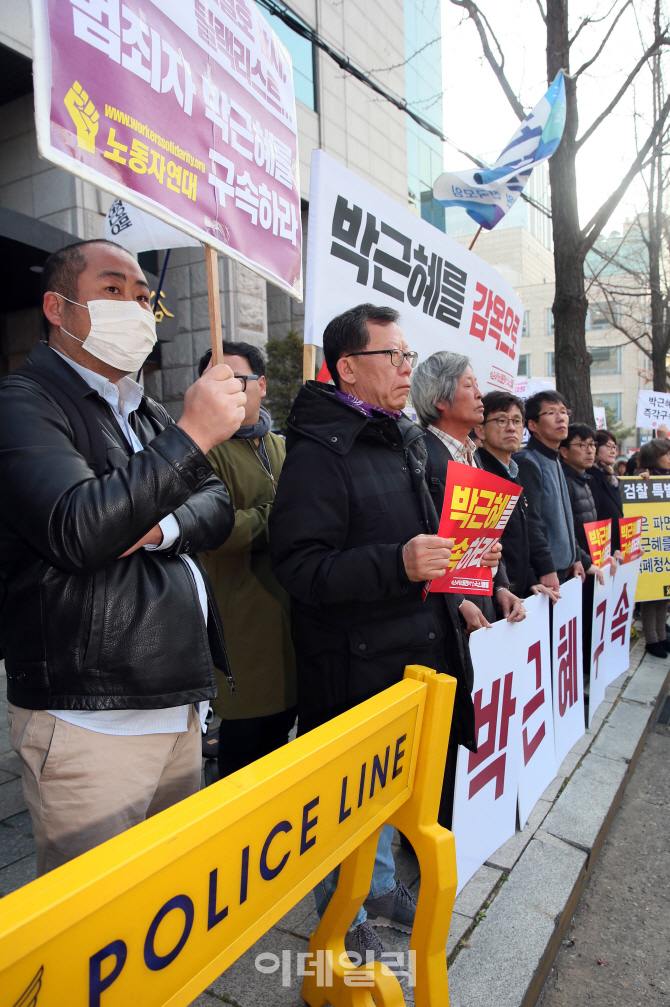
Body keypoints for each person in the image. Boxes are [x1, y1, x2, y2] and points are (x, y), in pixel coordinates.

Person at [0, 238, 246, 875]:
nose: (135, 308)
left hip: (177, 700)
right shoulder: (24, 403)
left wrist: (158, 525)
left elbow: (217, 501)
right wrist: (191, 436)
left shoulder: (143, 409)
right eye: (112, 291)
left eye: (143, 297)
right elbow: (78, 526)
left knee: (166, 902)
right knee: (97, 933)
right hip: (91, 718)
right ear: (59, 308)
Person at [269, 303, 501, 962]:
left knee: (404, 792)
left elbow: (429, 543)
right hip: (355, 669)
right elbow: (300, 566)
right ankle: (340, 915)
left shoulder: (397, 436)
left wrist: (449, 592)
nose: (407, 368)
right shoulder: (319, 453)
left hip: (416, 656)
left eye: (408, 355)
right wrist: (395, 563)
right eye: (392, 356)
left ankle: (384, 888)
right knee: (349, 806)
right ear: (347, 368)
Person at [197, 342, 296, 778]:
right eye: (215, 381)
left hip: (293, 619)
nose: (230, 389)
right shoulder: (204, 452)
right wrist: (281, 518)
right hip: (242, 622)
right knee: (244, 750)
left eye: (238, 379)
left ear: (262, 385)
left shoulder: (284, 446)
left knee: (281, 743)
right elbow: (211, 529)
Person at [410, 351, 526, 627]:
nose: (479, 394)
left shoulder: (473, 455)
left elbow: (486, 538)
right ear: (439, 399)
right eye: (469, 385)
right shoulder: (418, 455)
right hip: (443, 615)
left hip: (481, 602)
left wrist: (500, 587)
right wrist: (457, 602)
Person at [474, 390, 560, 602]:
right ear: (480, 430)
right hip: (494, 596)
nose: (511, 427)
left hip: (516, 591)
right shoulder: (480, 475)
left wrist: (530, 580)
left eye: (516, 421)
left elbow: (519, 539)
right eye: (501, 420)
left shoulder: (514, 472)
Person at [513, 391, 585, 587]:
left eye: (563, 411)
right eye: (551, 412)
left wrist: (575, 557)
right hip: (544, 576)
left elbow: (565, 517)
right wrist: (546, 568)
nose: (561, 417)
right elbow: (531, 522)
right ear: (533, 425)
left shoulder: (554, 459)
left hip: (563, 570)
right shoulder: (528, 462)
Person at [635, 439, 670, 657]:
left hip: (663, 546)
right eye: (665, 454)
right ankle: (652, 639)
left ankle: (662, 635)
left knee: (663, 594)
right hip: (648, 548)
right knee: (651, 596)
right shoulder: (641, 477)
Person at [589, 430, 624, 551]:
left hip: (614, 548)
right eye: (608, 446)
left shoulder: (611, 478)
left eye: (615, 447)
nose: (613, 450)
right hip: (601, 549)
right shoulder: (591, 477)